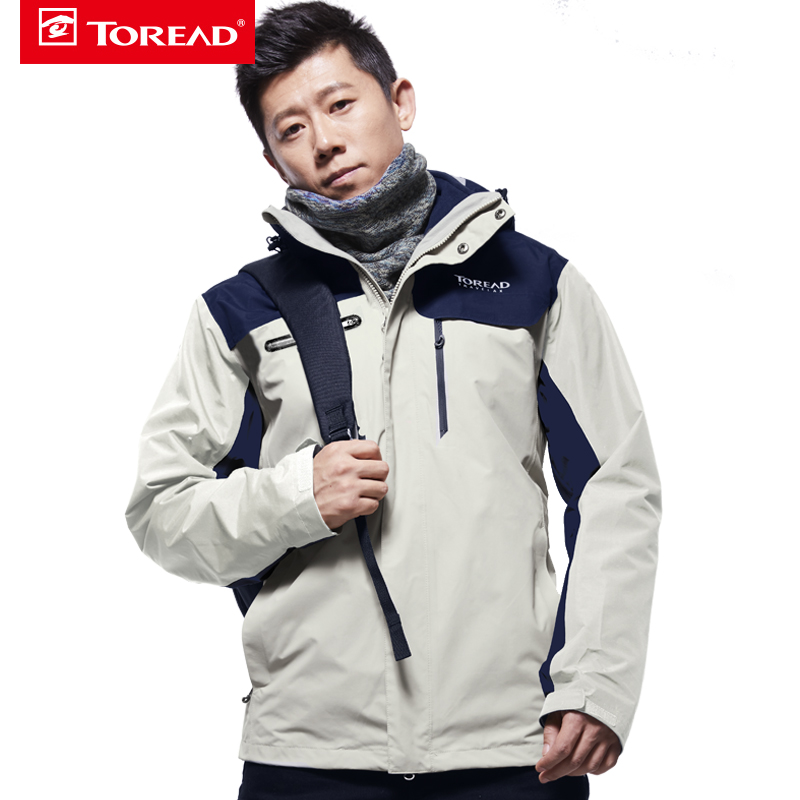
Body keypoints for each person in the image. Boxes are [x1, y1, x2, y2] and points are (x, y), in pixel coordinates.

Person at [126, 2, 661, 798]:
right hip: (308, 755)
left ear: (400, 101)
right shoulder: (240, 312)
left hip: (513, 748)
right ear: (272, 158)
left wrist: (595, 683)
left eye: (340, 104)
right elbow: (161, 511)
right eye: (291, 129)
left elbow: (618, 487)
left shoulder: (535, 283)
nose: (324, 140)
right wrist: (295, 497)